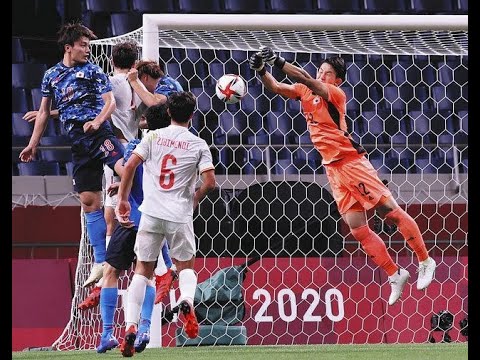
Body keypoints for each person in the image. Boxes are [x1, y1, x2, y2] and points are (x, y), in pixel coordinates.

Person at [249, 47, 437, 306]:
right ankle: (395, 274)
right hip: (333, 169)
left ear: (337, 80)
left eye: (327, 73)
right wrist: (261, 69)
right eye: (320, 71)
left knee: (390, 212)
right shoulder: (305, 92)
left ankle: (425, 260)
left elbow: (303, 76)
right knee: (358, 229)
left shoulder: (335, 94)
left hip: (351, 162)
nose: (322, 75)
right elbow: (276, 87)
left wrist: (278, 60)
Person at [19, 22, 125, 287]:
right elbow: (44, 112)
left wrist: (99, 122)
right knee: (89, 200)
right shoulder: (51, 76)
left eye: (88, 46)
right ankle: (101, 261)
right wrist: (33, 144)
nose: (87, 50)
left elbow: (110, 103)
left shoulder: (93, 71)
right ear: (69, 48)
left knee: (126, 168)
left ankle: (148, 207)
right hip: (77, 143)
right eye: (83, 46)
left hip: (98, 135)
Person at [115, 91, 216, 357]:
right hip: (179, 215)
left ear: (169, 113)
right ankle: (185, 300)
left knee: (141, 272)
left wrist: (123, 200)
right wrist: (193, 200)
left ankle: (130, 327)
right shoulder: (198, 144)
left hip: (151, 213)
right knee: (185, 266)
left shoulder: (152, 137)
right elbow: (210, 182)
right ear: (192, 116)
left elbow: (130, 166)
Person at [95, 103, 176, 354]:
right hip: (158, 220)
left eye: (143, 115)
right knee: (147, 275)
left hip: (131, 219)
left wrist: (121, 190)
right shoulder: (175, 148)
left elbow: (128, 167)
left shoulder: (136, 146)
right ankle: (143, 329)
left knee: (110, 272)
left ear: (148, 122)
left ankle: (108, 333)